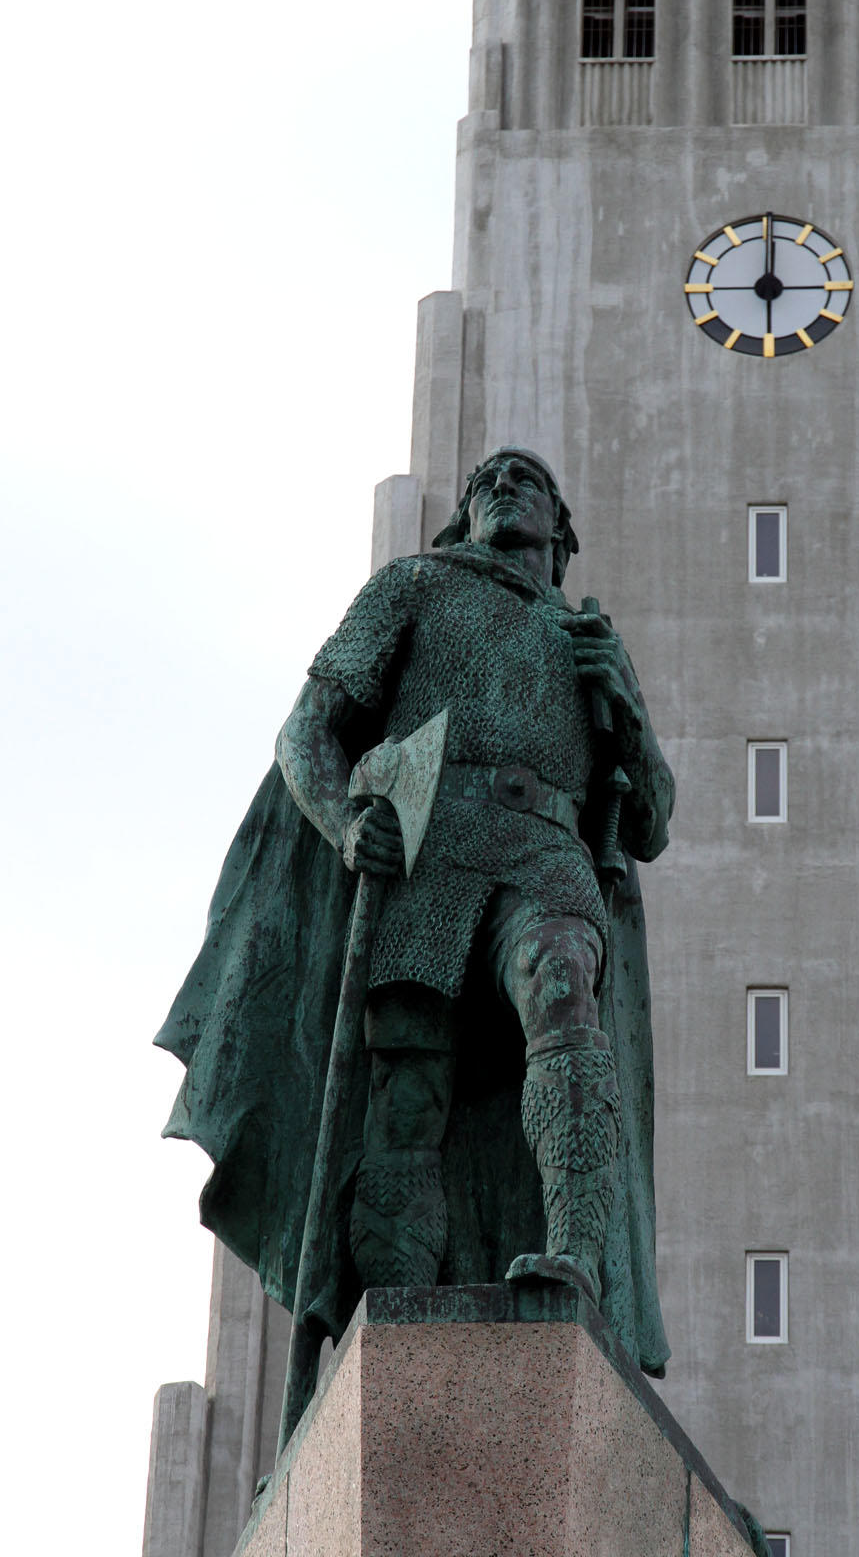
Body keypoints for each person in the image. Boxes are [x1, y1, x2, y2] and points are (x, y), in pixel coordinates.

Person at [157, 448, 674, 1379]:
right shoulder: (414, 587)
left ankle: (577, 1256)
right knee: (408, 1090)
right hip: (430, 852)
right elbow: (305, 731)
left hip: (548, 854)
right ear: (463, 515)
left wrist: (626, 712)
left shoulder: (592, 639)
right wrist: (348, 821)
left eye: (526, 482)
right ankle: (393, 1309)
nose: (503, 488)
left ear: (562, 530)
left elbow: (652, 822)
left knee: (562, 984)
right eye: (486, 482)